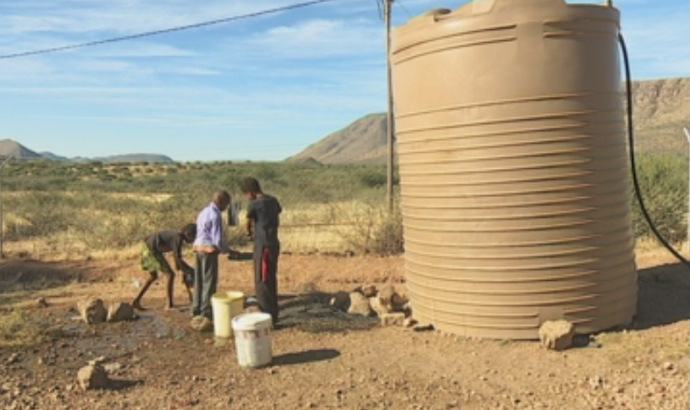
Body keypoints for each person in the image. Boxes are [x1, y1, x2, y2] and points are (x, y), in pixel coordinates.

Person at [240, 177, 282, 327]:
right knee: (271, 278)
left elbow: (248, 223)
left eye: (246, 194)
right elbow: (276, 217)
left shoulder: (254, 204)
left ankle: (267, 317)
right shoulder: (273, 200)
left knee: (262, 281)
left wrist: (249, 233)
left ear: (250, 192)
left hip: (262, 246)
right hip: (273, 243)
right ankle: (274, 313)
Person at [133, 223, 197, 311]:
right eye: (194, 237)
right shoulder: (177, 238)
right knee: (170, 275)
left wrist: (183, 269)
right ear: (188, 234)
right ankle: (169, 305)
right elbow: (178, 258)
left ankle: (136, 301)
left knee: (153, 277)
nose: (194, 240)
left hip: (147, 248)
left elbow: (177, 258)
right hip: (151, 251)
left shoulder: (177, 237)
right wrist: (188, 270)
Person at [191, 190, 231, 329]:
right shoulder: (215, 214)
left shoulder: (203, 211)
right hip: (208, 250)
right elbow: (217, 239)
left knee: (199, 280)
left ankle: (196, 309)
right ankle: (206, 312)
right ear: (220, 201)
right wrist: (228, 250)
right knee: (209, 281)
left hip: (197, 248)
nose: (226, 208)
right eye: (226, 204)